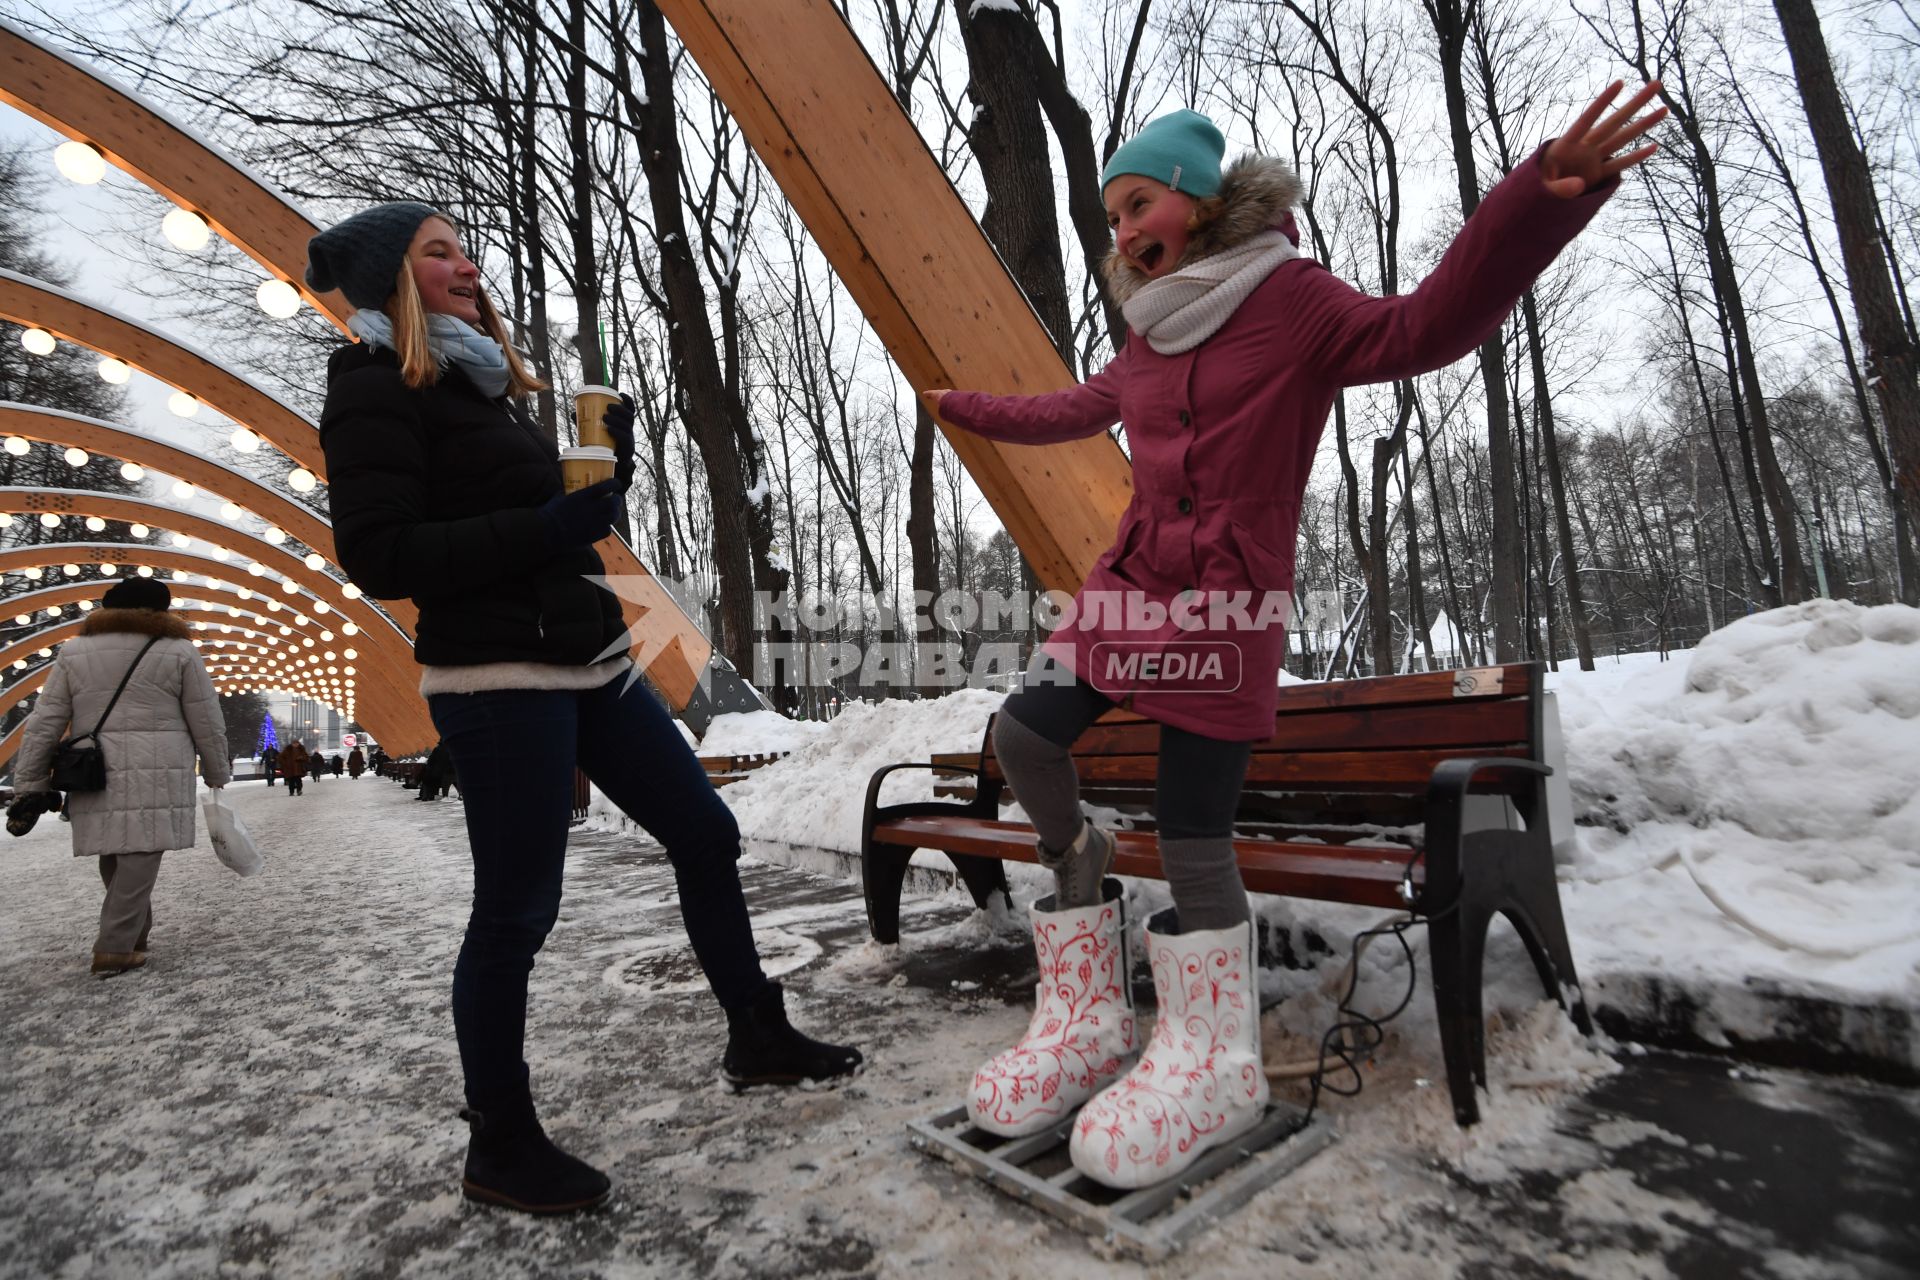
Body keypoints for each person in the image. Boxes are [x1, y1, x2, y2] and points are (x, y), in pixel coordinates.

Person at [922, 87, 1666, 1188]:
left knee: (1190, 825)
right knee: (1027, 736)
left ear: (1199, 195)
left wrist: (1533, 206)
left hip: (1228, 594)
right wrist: (965, 408)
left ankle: (1212, 1060)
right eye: (1113, 218)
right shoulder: (1147, 328)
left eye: (1138, 204)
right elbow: (1072, 410)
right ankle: (1084, 998)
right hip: (1131, 584)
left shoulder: (1291, 298)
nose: (1123, 232)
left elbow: (1428, 326)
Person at [308, 201, 861, 1216]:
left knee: (704, 829)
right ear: (393, 278)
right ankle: (501, 1141)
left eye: (467, 248)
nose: (466, 264)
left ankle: (755, 1028)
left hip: (588, 657)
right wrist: (539, 523)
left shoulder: (484, 384)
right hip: (496, 679)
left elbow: (542, 533)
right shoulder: (376, 387)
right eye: (439, 252)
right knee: (518, 911)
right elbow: (381, 556)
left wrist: (599, 494)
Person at [9, 577, 231, 977]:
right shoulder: (178, 650)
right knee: (140, 852)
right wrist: (217, 768)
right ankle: (113, 947)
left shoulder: (75, 651)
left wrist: (30, 779)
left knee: (116, 851)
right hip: (159, 769)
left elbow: (47, 720)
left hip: (93, 767)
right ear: (161, 611)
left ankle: (133, 935)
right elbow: (206, 717)